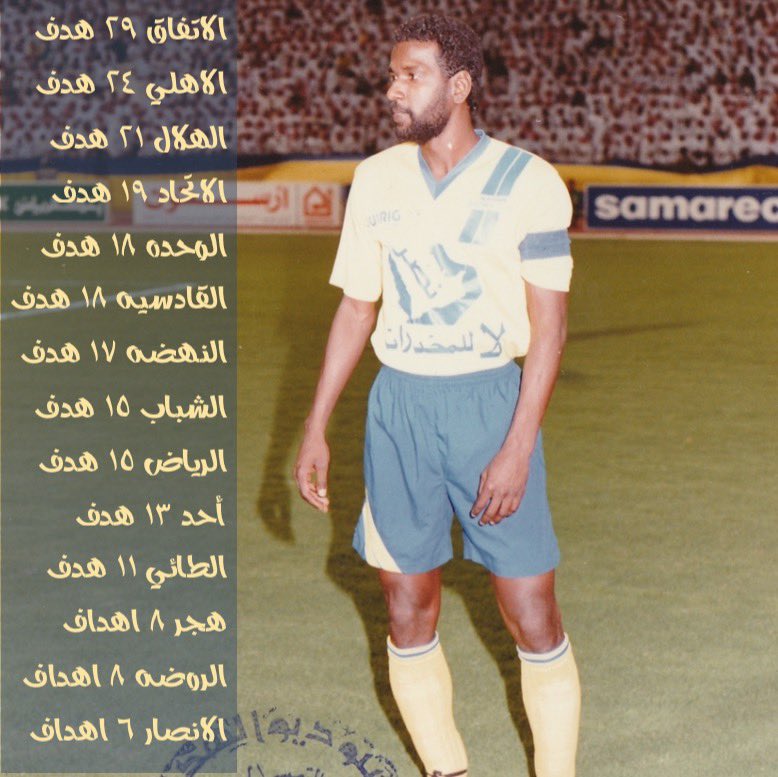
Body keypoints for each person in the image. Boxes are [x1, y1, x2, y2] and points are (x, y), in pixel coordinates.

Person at [294, 14, 580, 777]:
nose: (393, 90)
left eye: (411, 75)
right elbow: (357, 306)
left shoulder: (529, 181)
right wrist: (316, 424)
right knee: (405, 604)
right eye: (392, 75)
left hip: (490, 407)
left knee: (530, 611)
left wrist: (517, 445)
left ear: (458, 86)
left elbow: (549, 330)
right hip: (400, 411)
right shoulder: (376, 179)